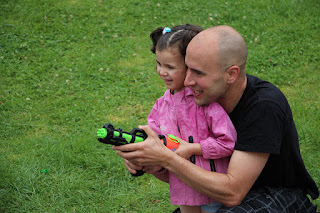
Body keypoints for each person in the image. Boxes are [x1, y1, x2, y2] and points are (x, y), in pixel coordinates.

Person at [113, 25, 319, 212]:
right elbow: (189, 173)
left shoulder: (264, 106)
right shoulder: (192, 103)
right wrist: (149, 163)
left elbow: (232, 192)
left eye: (198, 73)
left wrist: (167, 158)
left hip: (278, 194)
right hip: (218, 195)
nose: (187, 80)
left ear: (231, 74)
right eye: (187, 68)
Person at [146, 24, 237, 213]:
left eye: (170, 67)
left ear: (189, 67)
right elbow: (153, 138)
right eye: (159, 64)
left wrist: (193, 149)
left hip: (211, 190)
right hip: (184, 190)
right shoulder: (162, 104)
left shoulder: (204, 103)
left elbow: (228, 142)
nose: (162, 72)